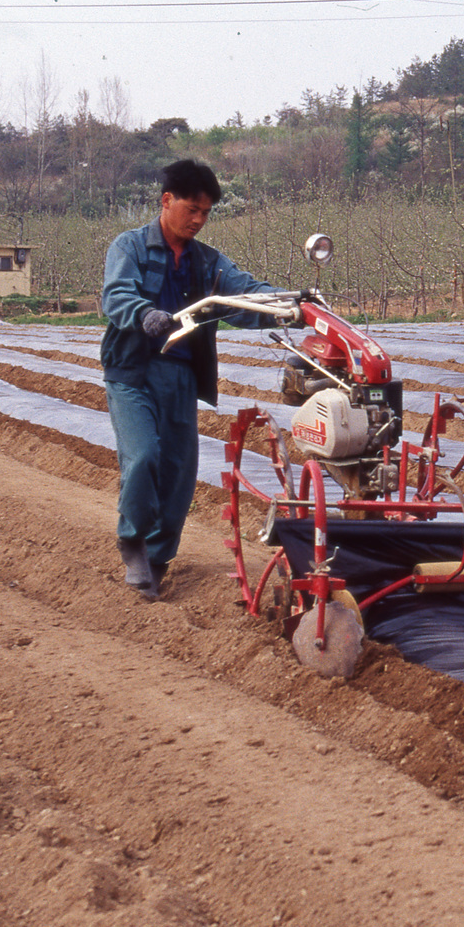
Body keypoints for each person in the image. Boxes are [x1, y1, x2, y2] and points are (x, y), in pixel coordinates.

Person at [101, 158, 288, 601]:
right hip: (132, 371)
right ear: (167, 201)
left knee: (180, 472)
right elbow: (116, 295)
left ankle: (158, 558)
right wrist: (143, 313)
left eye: (206, 213)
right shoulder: (128, 247)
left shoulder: (207, 262)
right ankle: (132, 541)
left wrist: (289, 305)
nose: (200, 220)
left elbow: (244, 293)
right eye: (192, 209)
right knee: (144, 456)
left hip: (180, 375)